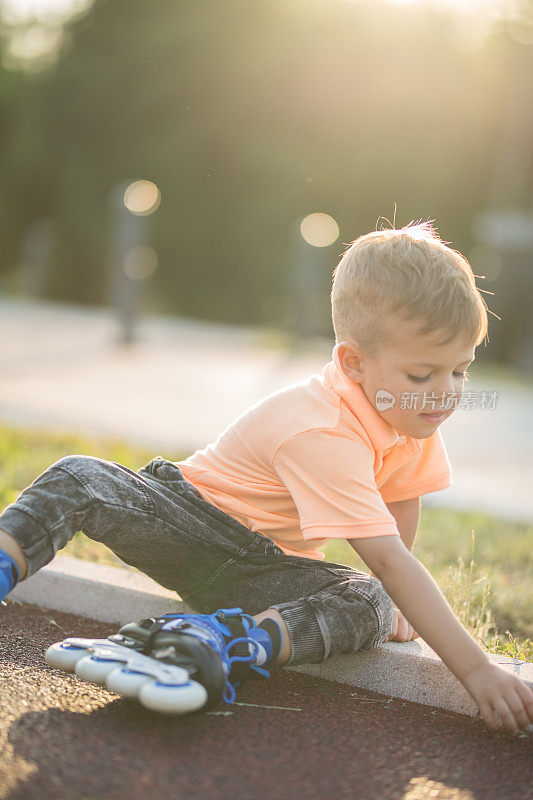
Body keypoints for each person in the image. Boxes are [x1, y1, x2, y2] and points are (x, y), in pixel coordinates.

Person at [1, 221, 532, 729]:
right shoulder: (322, 430)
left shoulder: (411, 414)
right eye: (422, 373)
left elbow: (402, 504)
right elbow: (390, 559)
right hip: (190, 523)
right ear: (353, 364)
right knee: (82, 476)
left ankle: (222, 642)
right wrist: (477, 670)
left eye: (460, 370)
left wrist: (388, 600)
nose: (444, 392)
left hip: (263, 571)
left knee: (370, 599)